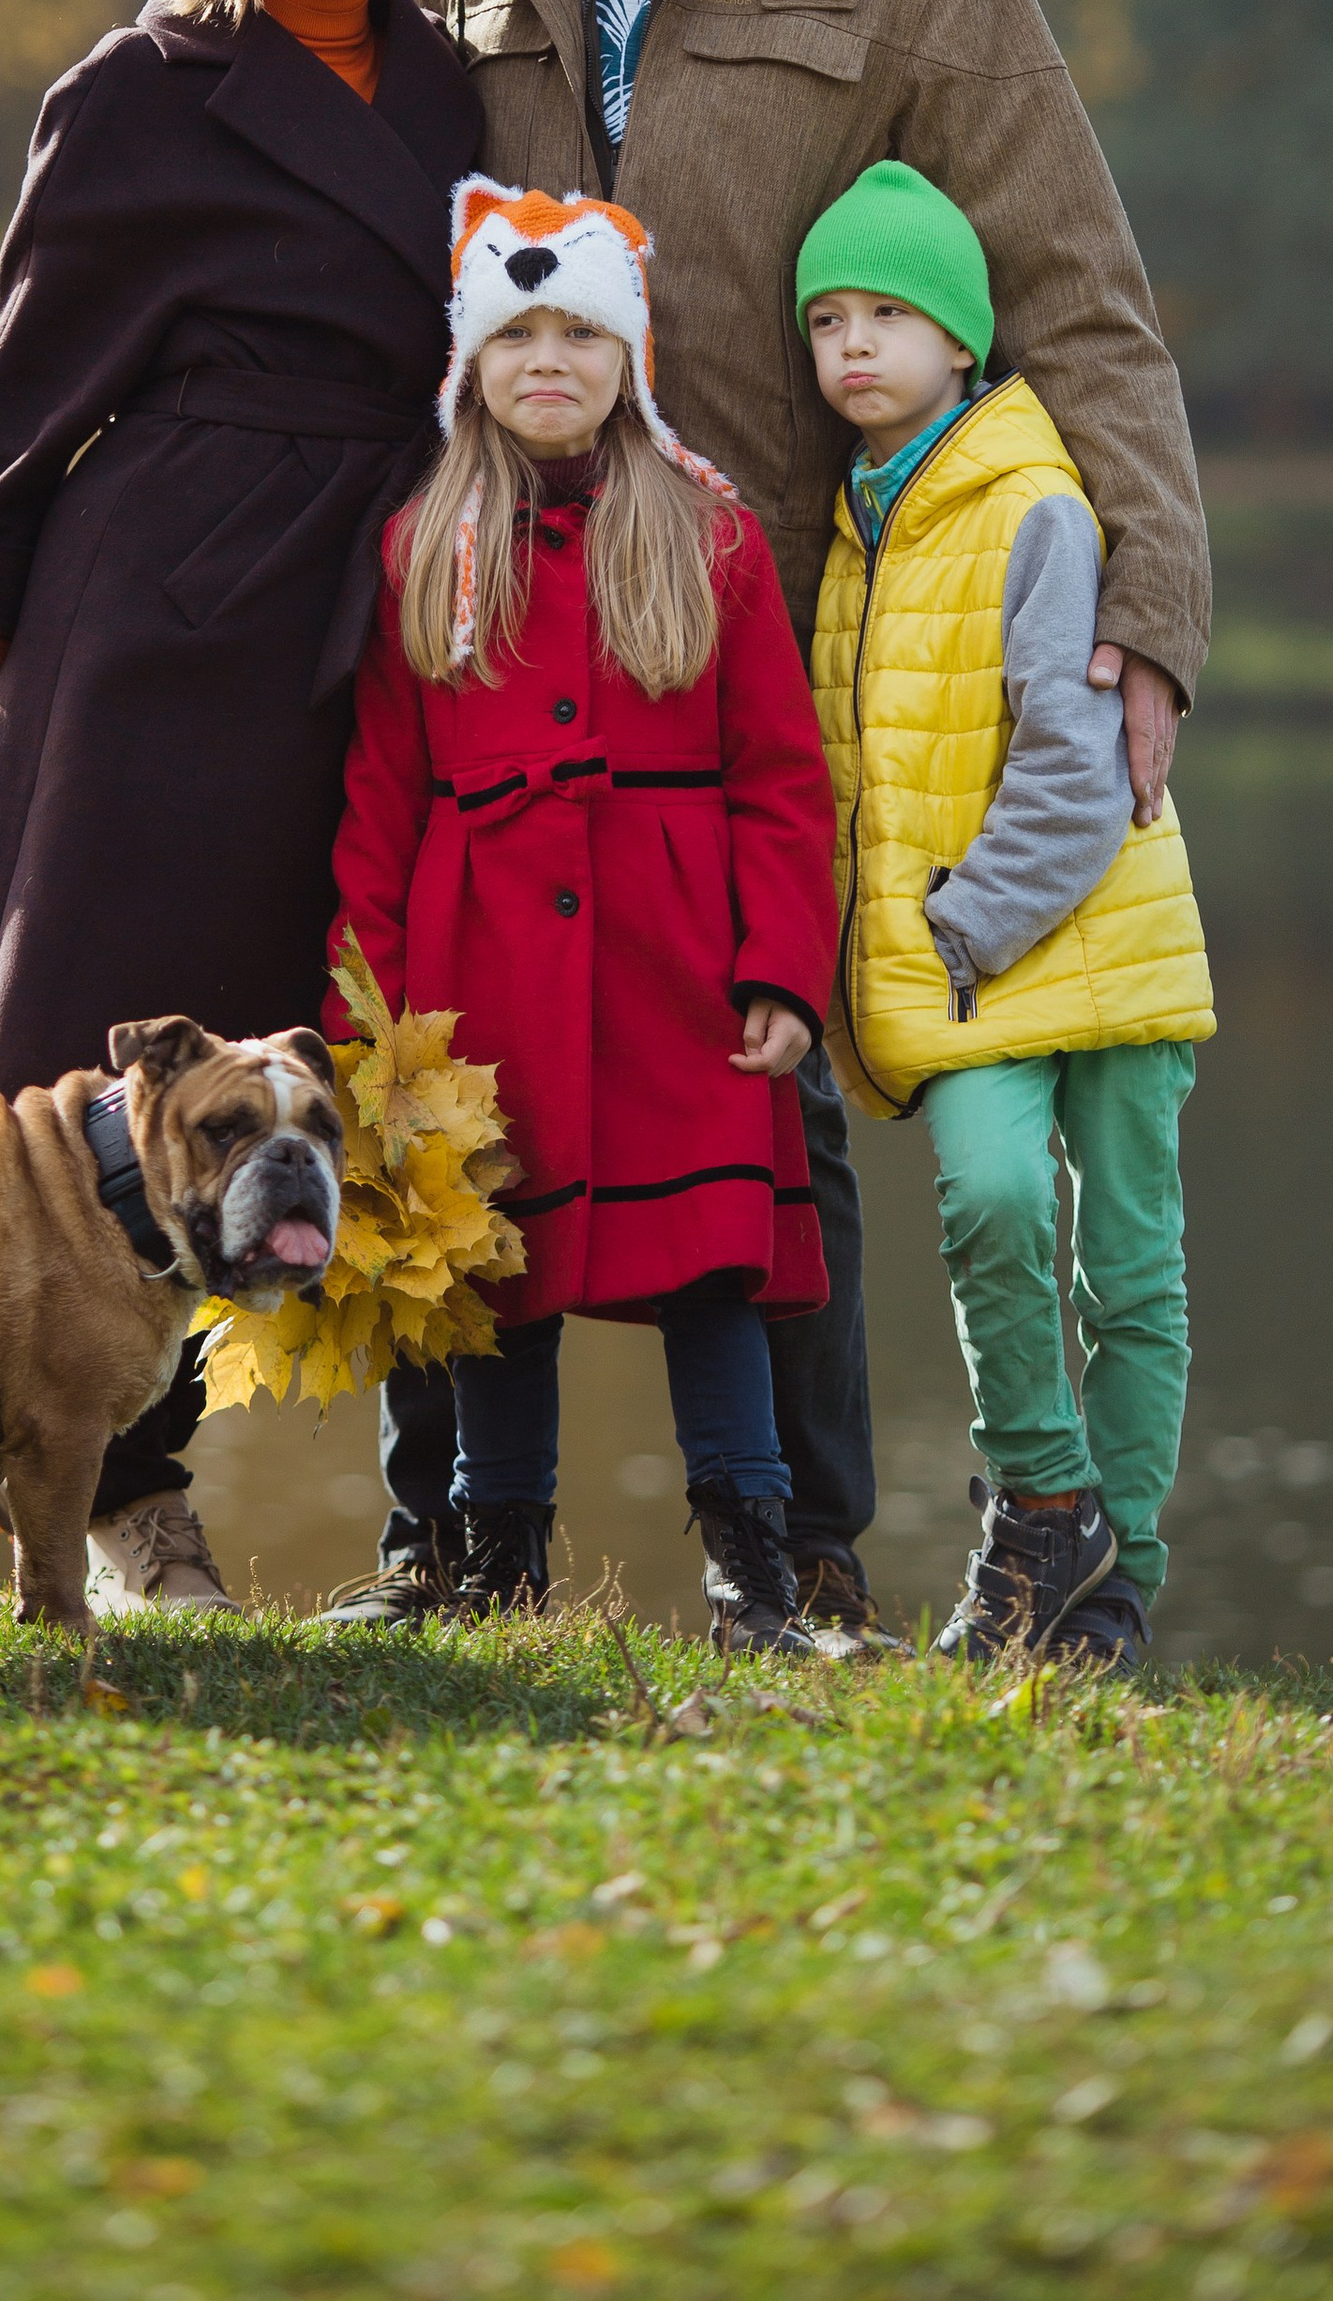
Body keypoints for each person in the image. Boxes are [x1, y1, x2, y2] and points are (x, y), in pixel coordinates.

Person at [340, 0, 1209, 1657]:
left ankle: (818, 1559)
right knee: (463, 1086)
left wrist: (1147, 621)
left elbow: (1077, 301)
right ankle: (449, 1548)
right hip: (499, 633)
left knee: (777, 1087)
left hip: (805, 632)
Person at [0, 0, 480, 1617]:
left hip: (371, 609)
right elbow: (20, 397)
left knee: (300, 1046)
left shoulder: (460, 90)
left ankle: (310, 1496)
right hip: (153, 623)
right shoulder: (141, 92)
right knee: (97, 1043)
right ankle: (109, 1505)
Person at [328, 182, 839, 1651]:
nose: (548, 361)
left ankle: (755, 1568)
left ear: (630, 361)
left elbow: (782, 782)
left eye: (580, 334)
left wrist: (780, 973)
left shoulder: (712, 534)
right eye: (516, 335)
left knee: (711, 1271)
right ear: (471, 364)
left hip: (679, 967)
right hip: (482, 965)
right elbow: (378, 803)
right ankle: (498, 1565)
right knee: (499, 1272)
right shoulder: (420, 548)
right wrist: (373, 1020)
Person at [798, 159, 1215, 1669]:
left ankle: (1113, 1586)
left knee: (1133, 1267)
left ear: (961, 340)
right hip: (969, 965)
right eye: (828, 320)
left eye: (887, 316)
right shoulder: (855, 526)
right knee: (990, 1201)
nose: (851, 345)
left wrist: (960, 930)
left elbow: (1079, 765)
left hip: (1083, 933)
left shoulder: (1033, 500)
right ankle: (1047, 1497)